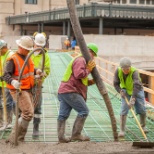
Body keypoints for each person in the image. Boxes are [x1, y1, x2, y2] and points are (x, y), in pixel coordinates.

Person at [3, 36, 43, 145]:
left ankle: (16, 138)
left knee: (26, 114)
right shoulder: (13, 59)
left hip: (27, 89)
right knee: (28, 113)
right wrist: (13, 82)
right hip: (19, 90)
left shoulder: (27, 57)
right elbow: (5, 75)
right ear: (20, 47)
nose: (28, 51)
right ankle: (16, 138)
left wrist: (36, 72)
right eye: (27, 49)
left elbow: (29, 69)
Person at [57, 43, 98, 143]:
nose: (93, 58)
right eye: (93, 55)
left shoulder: (80, 59)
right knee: (84, 111)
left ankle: (61, 138)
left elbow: (79, 80)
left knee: (63, 115)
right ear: (90, 52)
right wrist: (89, 69)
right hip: (71, 91)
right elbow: (79, 74)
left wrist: (91, 82)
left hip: (65, 91)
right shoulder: (81, 60)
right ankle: (76, 135)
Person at [113, 57, 148, 138]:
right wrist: (120, 91)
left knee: (142, 108)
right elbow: (115, 83)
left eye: (127, 69)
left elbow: (136, 85)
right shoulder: (118, 71)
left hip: (137, 90)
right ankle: (122, 130)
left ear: (130, 67)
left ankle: (143, 126)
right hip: (125, 90)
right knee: (124, 109)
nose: (126, 71)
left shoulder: (134, 71)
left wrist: (133, 98)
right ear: (121, 68)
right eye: (124, 69)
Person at [31, 32, 51, 139]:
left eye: (40, 46)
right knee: (22, 107)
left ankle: (36, 128)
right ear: (34, 43)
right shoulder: (28, 53)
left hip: (37, 84)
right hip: (26, 84)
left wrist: (42, 75)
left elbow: (47, 70)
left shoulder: (45, 56)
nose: (39, 48)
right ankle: (21, 128)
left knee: (37, 108)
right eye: (37, 45)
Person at [0, 40, 15, 131]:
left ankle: (8, 123)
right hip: (0, 82)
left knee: (8, 103)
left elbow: (11, 71)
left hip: (7, 83)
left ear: (4, 48)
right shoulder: (1, 54)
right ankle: (1, 122)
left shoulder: (10, 56)